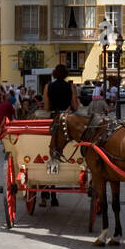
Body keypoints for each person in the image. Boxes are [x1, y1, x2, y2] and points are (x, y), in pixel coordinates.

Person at [41, 65, 79, 207]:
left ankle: (48, 192)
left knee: (52, 154)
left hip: (54, 120)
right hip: (67, 121)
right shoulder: (71, 87)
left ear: (54, 74)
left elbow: (46, 108)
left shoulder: (48, 86)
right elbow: (75, 106)